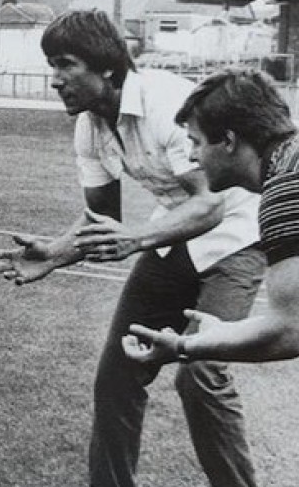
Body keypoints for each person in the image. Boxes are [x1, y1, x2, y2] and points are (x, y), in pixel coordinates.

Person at [0, 10, 265, 487]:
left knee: (201, 374)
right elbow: (100, 218)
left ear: (108, 68)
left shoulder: (164, 102)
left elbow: (211, 204)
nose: (55, 80)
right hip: (173, 238)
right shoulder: (90, 128)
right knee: (118, 372)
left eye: (65, 65)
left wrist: (136, 239)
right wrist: (55, 253)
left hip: (237, 234)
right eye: (51, 65)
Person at [123, 68, 299, 364]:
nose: (192, 156)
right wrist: (224, 335)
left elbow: (290, 330)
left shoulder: (285, 190)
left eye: (196, 141)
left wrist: (186, 347)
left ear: (228, 141)